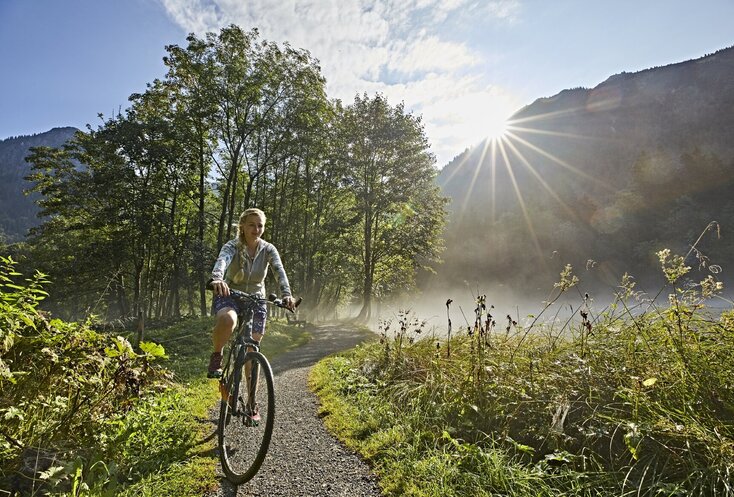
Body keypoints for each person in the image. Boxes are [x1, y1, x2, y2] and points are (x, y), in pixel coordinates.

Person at [207, 208, 295, 380]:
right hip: (230, 293)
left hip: (256, 298)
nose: (256, 229)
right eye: (251, 225)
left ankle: (251, 401)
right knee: (228, 320)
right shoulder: (232, 246)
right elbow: (222, 261)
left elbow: (279, 271)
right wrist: (217, 279)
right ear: (242, 227)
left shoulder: (268, 249)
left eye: (260, 226)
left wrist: (287, 294)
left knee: (252, 349)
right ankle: (217, 355)